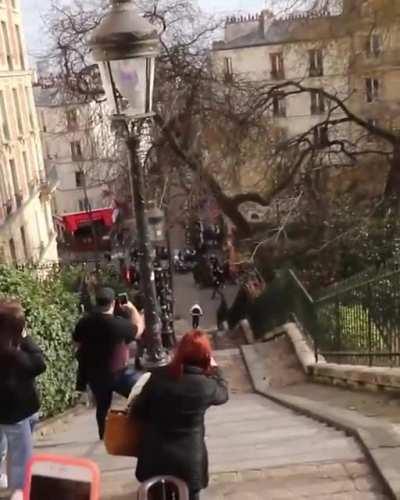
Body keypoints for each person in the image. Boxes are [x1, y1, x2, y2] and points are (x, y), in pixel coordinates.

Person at [129, 330, 229, 500]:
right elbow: (223, 394)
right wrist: (216, 369)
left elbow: (136, 412)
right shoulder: (206, 386)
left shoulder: (158, 377)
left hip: (154, 457)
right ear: (206, 355)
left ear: (179, 351)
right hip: (189, 460)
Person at [73, 287, 144, 439]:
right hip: (118, 372)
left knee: (102, 406)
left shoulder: (85, 322)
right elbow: (138, 330)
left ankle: (104, 435)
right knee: (138, 394)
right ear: (113, 303)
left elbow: (77, 343)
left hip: (96, 374)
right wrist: (132, 310)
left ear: (96, 303)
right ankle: (137, 427)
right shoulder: (118, 324)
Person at [0, 299, 46, 490]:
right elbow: (38, 365)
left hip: (19, 410)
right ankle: (19, 491)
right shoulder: (12, 351)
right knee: (21, 457)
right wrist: (24, 339)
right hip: (16, 411)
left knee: (9, 449)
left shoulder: (13, 345)